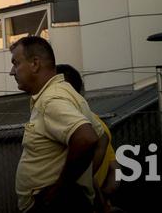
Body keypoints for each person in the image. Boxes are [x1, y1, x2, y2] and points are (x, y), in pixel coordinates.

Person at [10, 36, 103, 212]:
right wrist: (86, 180)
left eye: (16, 63)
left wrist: (61, 188)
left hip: (56, 204)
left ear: (35, 64)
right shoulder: (66, 93)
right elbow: (101, 138)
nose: (12, 72)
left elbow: (86, 138)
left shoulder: (51, 100)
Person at [56, 64, 119, 212]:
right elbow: (115, 168)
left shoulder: (73, 127)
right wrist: (105, 198)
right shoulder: (99, 124)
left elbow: (85, 173)